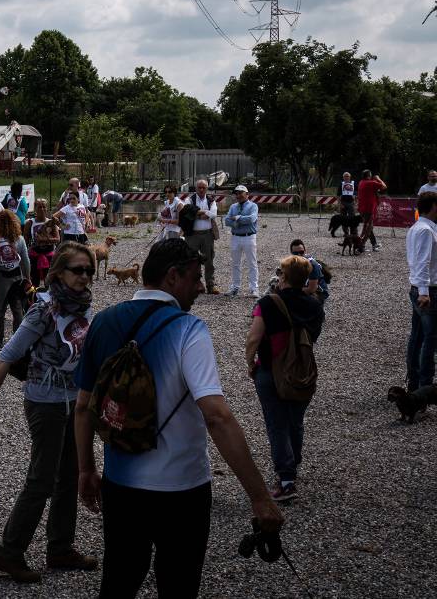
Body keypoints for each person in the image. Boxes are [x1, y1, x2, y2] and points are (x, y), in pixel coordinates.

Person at [74, 239, 284, 598]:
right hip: (182, 490)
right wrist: (260, 497)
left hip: (122, 485)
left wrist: (85, 470)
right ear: (173, 277)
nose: (201, 286)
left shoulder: (103, 322)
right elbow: (217, 416)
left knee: (119, 582)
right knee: (179, 585)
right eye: (195, 278)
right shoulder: (189, 329)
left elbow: (82, 407)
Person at [0, 242, 99, 584]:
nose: (84, 276)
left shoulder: (84, 307)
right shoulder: (44, 311)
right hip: (45, 403)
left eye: (89, 270)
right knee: (41, 480)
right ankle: (10, 552)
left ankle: (60, 548)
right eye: (77, 270)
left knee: (68, 475)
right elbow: (7, 356)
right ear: (58, 273)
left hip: (74, 402)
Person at [245, 255, 324, 502]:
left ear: (285, 277)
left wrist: (251, 364)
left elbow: (254, 338)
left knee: (276, 423)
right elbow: (312, 337)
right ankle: (292, 466)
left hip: (271, 369)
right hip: (302, 370)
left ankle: (287, 481)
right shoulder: (315, 305)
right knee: (295, 421)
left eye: (280, 273)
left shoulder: (268, 303)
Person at [405, 192, 437, 391]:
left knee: (417, 337)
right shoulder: (425, 230)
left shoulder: (418, 228)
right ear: (433, 206)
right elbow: (422, 262)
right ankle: (425, 387)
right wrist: (424, 292)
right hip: (428, 291)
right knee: (429, 339)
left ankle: (414, 382)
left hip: (419, 288)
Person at [0, 210, 31, 351]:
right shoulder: (19, 239)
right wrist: (28, 277)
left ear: (4, 224)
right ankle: (17, 339)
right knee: (17, 309)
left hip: (1, 278)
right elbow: (25, 261)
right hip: (17, 277)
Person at [184, 179, 219, 294]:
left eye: (204, 187)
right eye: (199, 187)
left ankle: (210, 285)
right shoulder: (189, 199)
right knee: (192, 261)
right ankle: (195, 285)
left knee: (209, 260)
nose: (201, 189)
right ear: (196, 188)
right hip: (192, 235)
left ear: (207, 188)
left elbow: (214, 214)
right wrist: (204, 213)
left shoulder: (211, 200)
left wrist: (196, 213)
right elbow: (187, 212)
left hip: (207, 234)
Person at [224, 185, 260, 298]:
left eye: (241, 193)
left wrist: (237, 218)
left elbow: (252, 219)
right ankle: (235, 287)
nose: (238, 195)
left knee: (252, 263)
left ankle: (254, 288)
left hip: (249, 237)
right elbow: (226, 221)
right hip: (235, 237)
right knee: (235, 263)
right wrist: (238, 221)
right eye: (237, 193)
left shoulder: (253, 206)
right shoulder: (233, 206)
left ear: (247, 194)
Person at [25, 198, 60, 285]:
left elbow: (57, 239)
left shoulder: (51, 222)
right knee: (34, 281)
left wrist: (44, 240)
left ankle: (49, 298)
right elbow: (25, 241)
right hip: (34, 255)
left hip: (49, 255)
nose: (42, 209)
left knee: (50, 281)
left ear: (47, 208)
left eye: (44, 207)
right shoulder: (29, 223)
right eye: (39, 207)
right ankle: (34, 298)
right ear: (35, 208)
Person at [290, 239, 328, 305]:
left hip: (318, 293)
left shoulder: (312, 265)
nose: (299, 255)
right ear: (291, 253)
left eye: (301, 252)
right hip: (304, 288)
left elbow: (312, 289)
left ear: (305, 251)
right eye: (295, 253)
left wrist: (291, 291)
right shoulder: (291, 263)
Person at [357, 169, 387, 252]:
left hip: (362, 208)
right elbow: (384, 186)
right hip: (368, 209)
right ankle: (360, 245)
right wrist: (378, 178)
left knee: (368, 227)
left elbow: (374, 190)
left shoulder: (361, 182)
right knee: (368, 228)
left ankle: (374, 244)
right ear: (369, 175)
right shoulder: (371, 183)